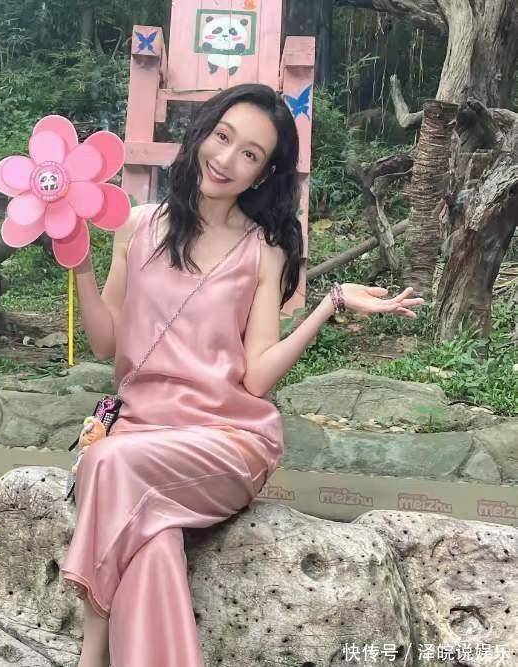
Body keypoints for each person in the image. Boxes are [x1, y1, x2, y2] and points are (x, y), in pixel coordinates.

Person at [60, 83, 424, 667]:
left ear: (264, 173)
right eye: (223, 136)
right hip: (142, 434)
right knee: (152, 545)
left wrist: (328, 306)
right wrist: (78, 260)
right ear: (203, 132)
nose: (226, 159)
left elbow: (256, 379)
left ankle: (91, 653)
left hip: (225, 442)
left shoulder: (263, 251)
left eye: (249, 153)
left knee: (107, 463)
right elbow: (107, 342)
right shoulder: (137, 227)